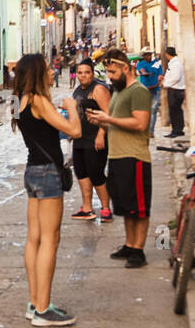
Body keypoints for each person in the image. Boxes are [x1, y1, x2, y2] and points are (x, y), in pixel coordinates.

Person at [14, 53, 82, 326]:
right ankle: (43, 308)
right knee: (50, 240)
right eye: (49, 69)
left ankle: (35, 302)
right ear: (37, 73)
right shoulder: (40, 100)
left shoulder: (24, 100)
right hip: (47, 172)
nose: (54, 72)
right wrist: (72, 106)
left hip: (32, 171)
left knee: (34, 238)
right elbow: (73, 131)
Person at [85, 48, 154, 268]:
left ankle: (139, 249)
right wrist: (101, 121)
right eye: (108, 73)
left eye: (113, 72)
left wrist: (109, 120)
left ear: (126, 68)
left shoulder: (138, 91)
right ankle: (129, 244)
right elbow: (117, 120)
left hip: (135, 155)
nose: (110, 77)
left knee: (139, 207)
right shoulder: (117, 91)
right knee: (125, 206)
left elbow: (140, 123)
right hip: (116, 155)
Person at [69, 59, 112, 221]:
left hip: (96, 138)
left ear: (93, 74)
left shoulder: (99, 89)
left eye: (86, 72)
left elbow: (108, 114)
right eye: (80, 73)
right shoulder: (78, 90)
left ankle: (106, 208)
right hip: (80, 138)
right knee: (81, 172)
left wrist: (101, 134)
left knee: (96, 173)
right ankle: (86, 208)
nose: (83, 76)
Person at [135, 47, 162, 134]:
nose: (149, 56)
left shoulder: (157, 63)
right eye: (147, 55)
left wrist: (159, 81)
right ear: (143, 56)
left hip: (155, 90)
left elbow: (160, 74)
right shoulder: (141, 64)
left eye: (150, 54)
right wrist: (145, 73)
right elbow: (142, 71)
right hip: (145, 90)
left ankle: (151, 131)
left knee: (153, 110)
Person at [162, 46, 186, 138]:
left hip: (175, 90)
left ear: (168, 54)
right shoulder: (173, 63)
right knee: (175, 110)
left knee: (175, 110)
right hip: (174, 89)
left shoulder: (176, 64)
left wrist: (165, 84)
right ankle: (177, 129)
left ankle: (177, 130)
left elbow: (176, 77)